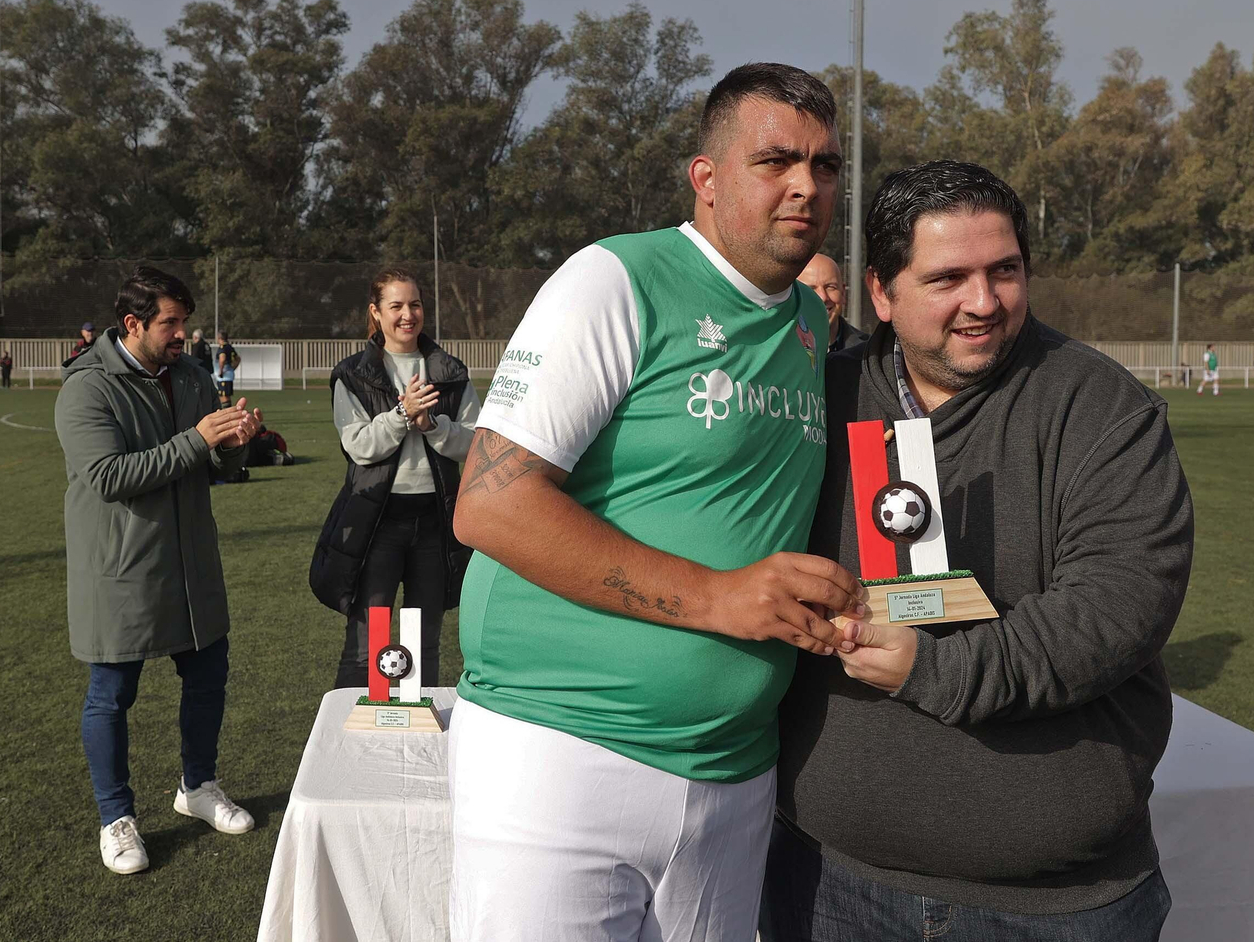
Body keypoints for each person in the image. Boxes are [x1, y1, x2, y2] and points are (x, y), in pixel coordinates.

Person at [445, 62, 863, 942]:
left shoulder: (810, 325)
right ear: (706, 180)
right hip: (561, 754)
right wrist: (719, 597)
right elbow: (491, 505)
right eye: (776, 160)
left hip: (736, 774)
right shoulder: (614, 279)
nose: (806, 186)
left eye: (825, 166)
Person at [766, 160, 1192, 942]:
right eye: (949, 278)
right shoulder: (812, 399)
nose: (984, 303)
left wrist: (935, 670)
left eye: (1005, 271)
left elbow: (1117, 608)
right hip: (827, 882)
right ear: (882, 295)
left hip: (1056, 906)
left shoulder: (1100, 408)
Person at [54, 265, 262, 875]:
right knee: (112, 694)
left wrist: (234, 445)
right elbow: (108, 477)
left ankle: (198, 786)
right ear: (132, 324)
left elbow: (219, 472)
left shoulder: (194, 379)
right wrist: (199, 439)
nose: (182, 334)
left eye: (184, 322)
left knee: (208, 674)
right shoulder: (86, 388)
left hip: (192, 561)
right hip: (120, 568)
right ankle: (116, 819)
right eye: (169, 322)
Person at [311, 265, 481, 690]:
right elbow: (359, 446)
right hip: (377, 522)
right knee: (368, 641)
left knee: (424, 641)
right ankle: (353, 736)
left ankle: (414, 736)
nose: (408, 314)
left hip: (435, 522)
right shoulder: (352, 374)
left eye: (416, 304)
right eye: (397, 305)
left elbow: (477, 444)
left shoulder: (451, 371)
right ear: (376, 312)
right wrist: (403, 414)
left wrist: (432, 427)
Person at [798, 252, 869, 353]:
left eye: (831, 287)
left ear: (843, 293)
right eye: (810, 289)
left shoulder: (869, 353)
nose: (823, 297)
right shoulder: (776, 351)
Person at [215, 332, 237, 407]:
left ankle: (227, 415)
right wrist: (233, 368)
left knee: (224, 397)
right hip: (228, 376)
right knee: (227, 396)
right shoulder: (230, 347)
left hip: (223, 377)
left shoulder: (222, 347)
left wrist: (221, 371)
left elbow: (222, 359)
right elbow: (238, 358)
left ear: (219, 338)